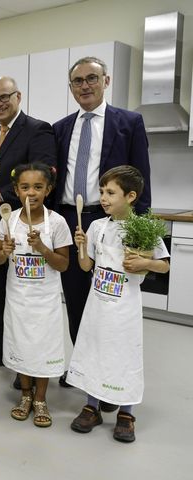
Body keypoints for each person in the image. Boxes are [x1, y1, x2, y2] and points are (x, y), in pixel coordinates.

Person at [53, 57, 151, 388]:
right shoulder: (61, 127)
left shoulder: (129, 122)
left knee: (111, 305)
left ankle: (109, 374)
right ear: (71, 87)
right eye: (77, 81)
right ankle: (81, 369)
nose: (84, 86)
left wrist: (137, 232)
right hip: (72, 221)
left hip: (112, 221)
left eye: (91, 78)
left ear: (106, 81)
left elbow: (141, 180)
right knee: (77, 299)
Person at [68, 166, 169, 443]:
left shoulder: (144, 228)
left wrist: (146, 262)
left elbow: (163, 266)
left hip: (124, 309)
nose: (103, 197)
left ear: (131, 196)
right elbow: (86, 265)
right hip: (97, 306)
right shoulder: (98, 226)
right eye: (101, 191)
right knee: (94, 350)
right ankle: (92, 406)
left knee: (124, 355)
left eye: (110, 192)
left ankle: (126, 411)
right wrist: (81, 245)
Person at [0, 76, 56, 371]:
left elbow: (42, 174)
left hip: (22, 225)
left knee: (23, 297)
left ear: (18, 96)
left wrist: (1, 194)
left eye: (4, 97)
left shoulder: (37, 130)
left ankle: (25, 360)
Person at [0, 163, 71, 428]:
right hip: (17, 300)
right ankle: (25, 395)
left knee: (43, 347)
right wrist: (4, 250)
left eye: (38, 187)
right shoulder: (8, 220)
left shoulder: (57, 222)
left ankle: (40, 398)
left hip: (45, 301)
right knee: (21, 345)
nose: (31, 193)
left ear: (48, 190)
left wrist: (42, 248)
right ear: (16, 190)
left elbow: (63, 264)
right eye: (25, 187)